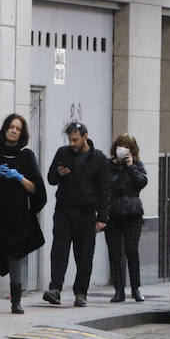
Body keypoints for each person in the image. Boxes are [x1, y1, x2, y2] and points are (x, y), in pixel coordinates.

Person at [0, 114, 47, 313]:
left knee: (15, 254)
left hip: (16, 214)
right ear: (5, 129)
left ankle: (16, 302)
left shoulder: (26, 156)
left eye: (18, 128)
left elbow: (36, 188)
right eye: (11, 127)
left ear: (22, 133)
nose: (14, 131)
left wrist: (19, 177)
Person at [44, 121, 111, 307]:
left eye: (75, 140)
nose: (72, 143)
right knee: (59, 250)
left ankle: (81, 293)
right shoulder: (63, 153)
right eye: (70, 140)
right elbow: (50, 178)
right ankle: (55, 289)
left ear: (85, 137)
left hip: (86, 213)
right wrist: (58, 173)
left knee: (84, 254)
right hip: (64, 211)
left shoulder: (99, 158)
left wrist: (102, 217)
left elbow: (105, 189)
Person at [105, 134, 148, 303]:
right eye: (120, 145)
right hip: (112, 213)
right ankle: (119, 290)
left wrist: (130, 167)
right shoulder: (108, 165)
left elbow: (141, 182)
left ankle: (136, 288)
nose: (122, 149)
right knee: (114, 252)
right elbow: (102, 186)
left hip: (132, 213)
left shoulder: (137, 165)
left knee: (131, 250)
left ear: (132, 150)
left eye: (127, 146)